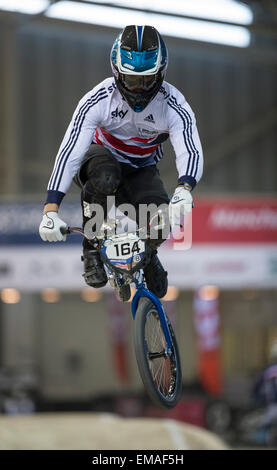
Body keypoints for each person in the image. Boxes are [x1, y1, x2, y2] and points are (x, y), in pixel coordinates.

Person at [39, 25, 203, 300]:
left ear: (161, 74)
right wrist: (50, 209)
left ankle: (148, 256)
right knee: (106, 176)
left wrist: (185, 188)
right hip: (99, 160)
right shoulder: (97, 100)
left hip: (141, 168)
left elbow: (189, 148)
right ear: (116, 73)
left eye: (147, 80)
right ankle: (92, 245)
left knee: (165, 218)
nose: (139, 89)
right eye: (131, 80)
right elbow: (70, 151)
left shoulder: (175, 105)